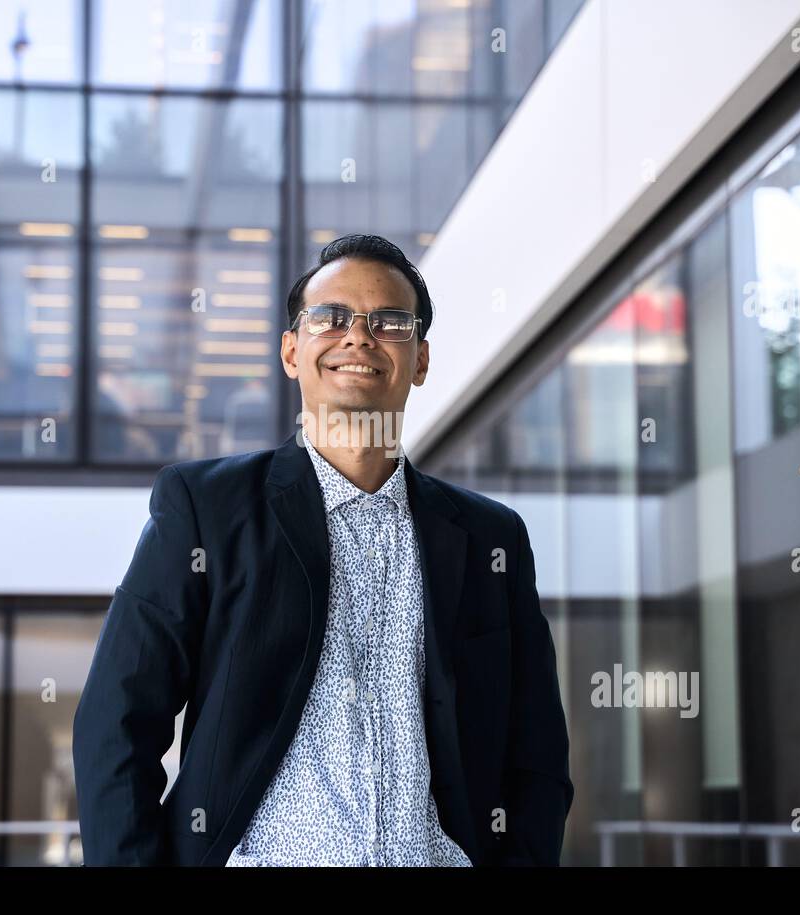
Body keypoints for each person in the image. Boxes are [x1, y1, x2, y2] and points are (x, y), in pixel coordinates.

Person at [73, 234, 573, 866]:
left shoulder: (491, 540)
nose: (358, 338)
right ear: (291, 350)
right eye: (331, 318)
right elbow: (115, 725)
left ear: (419, 359)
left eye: (389, 323)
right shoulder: (205, 509)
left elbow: (537, 756)